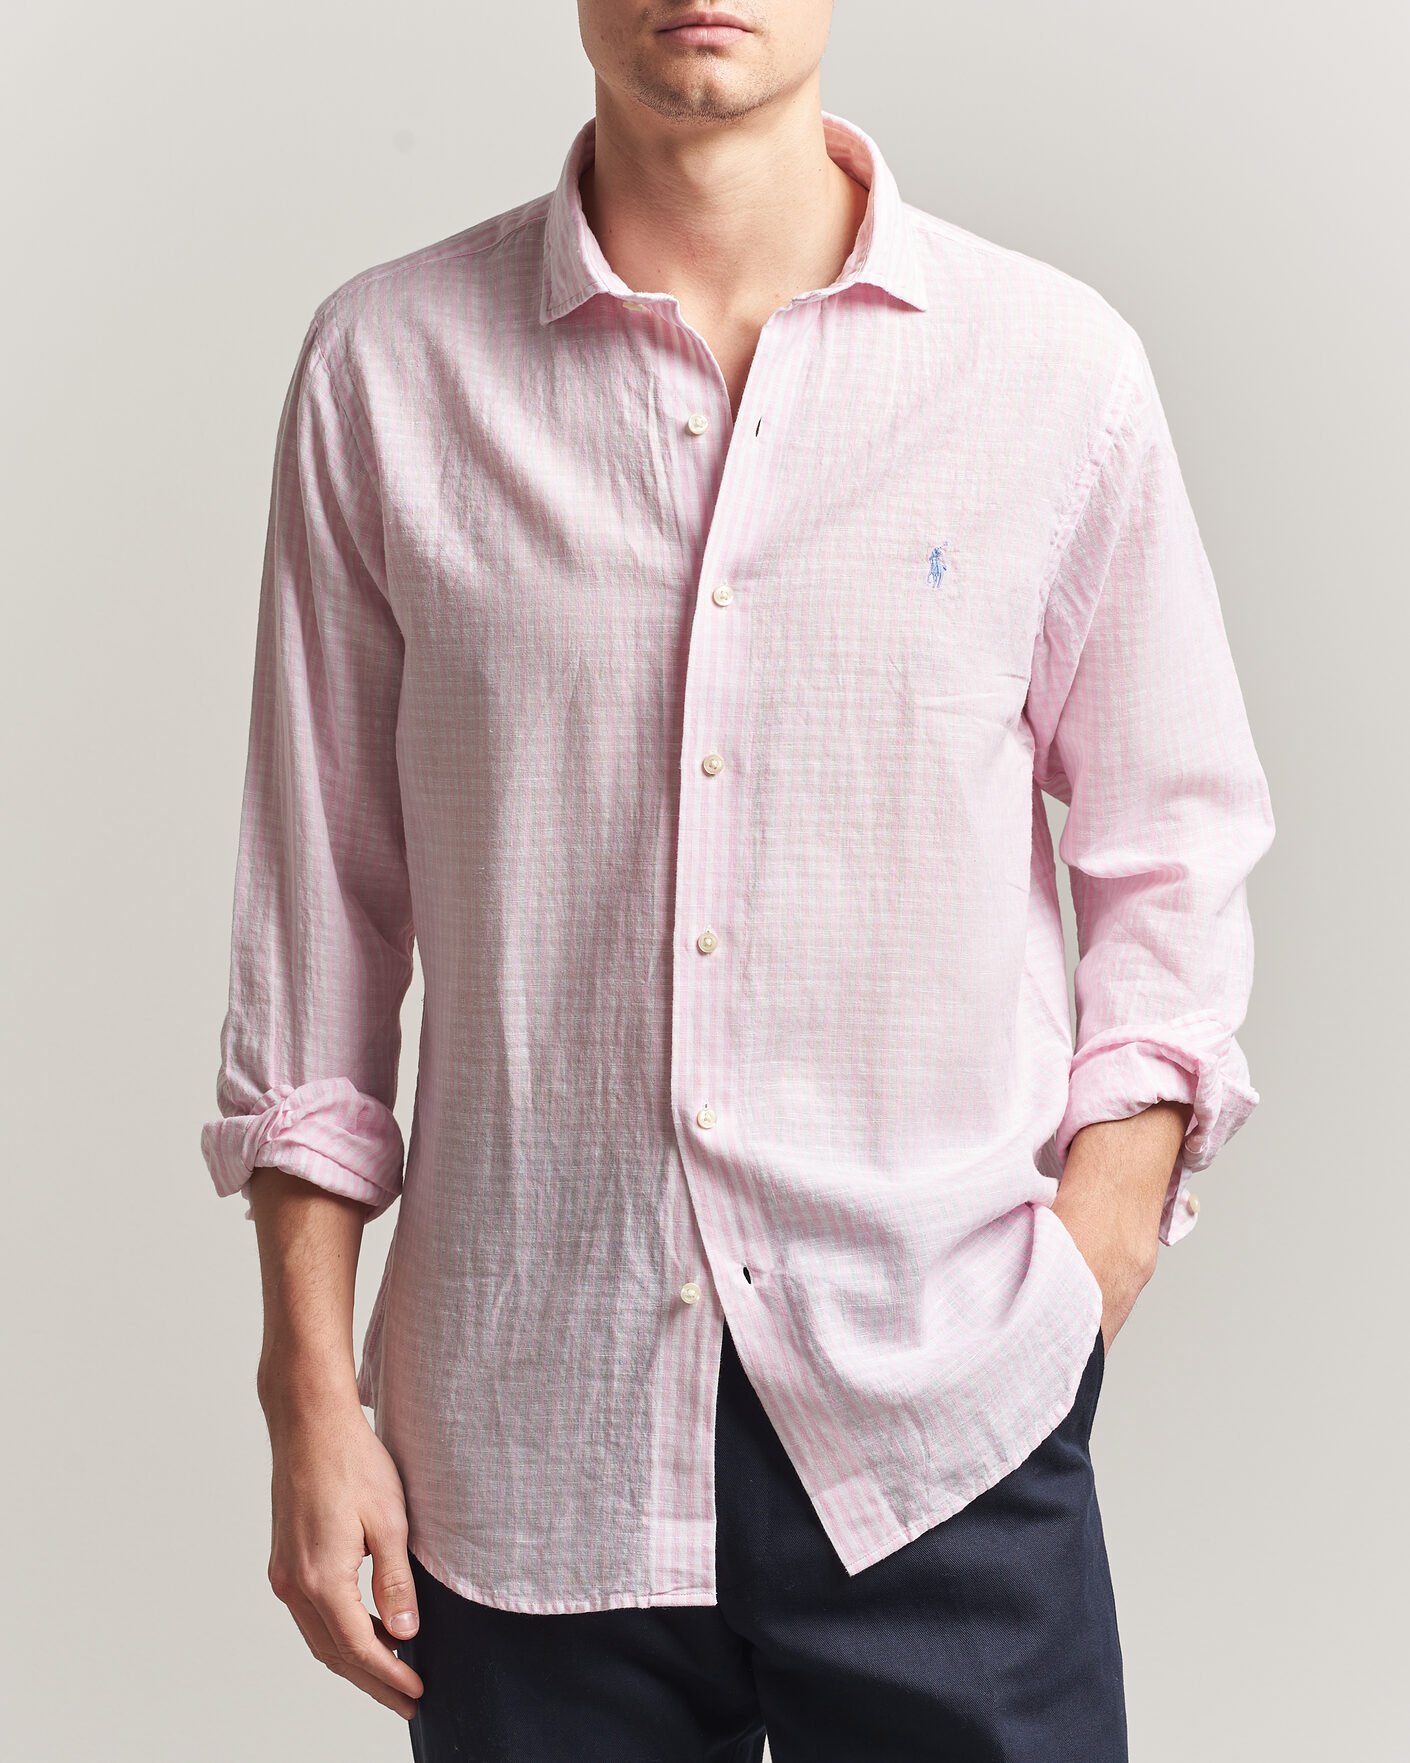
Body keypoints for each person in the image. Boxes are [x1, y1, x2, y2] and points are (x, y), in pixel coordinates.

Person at [200, 3, 1275, 1758]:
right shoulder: (387, 372)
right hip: (525, 1439)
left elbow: (1174, 848)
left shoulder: (1050, 370)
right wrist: (306, 1394)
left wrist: (1082, 1274)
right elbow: (313, 920)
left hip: (941, 1424)